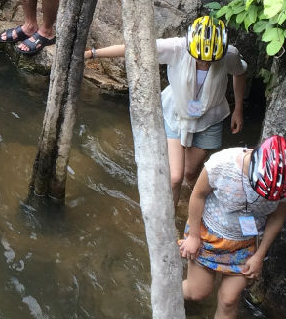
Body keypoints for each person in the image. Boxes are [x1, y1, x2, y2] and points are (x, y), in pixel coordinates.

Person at [85, 17, 248, 202]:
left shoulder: (229, 55)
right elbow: (134, 48)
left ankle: (192, 202)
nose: (205, 64)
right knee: (175, 178)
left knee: (191, 173)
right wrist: (92, 54)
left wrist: (238, 109)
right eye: (199, 59)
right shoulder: (176, 48)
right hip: (176, 111)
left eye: (210, 61)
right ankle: (170, 220)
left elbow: (240, 73)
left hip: (210, 115)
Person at [180, 134, 286, 319]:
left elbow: (277, 217)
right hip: (208, 234)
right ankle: (169, 294)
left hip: (245, 243)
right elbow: (197, 195)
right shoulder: (221, 164)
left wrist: (260, 255)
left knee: (229, 298)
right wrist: (193, 236)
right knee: (197, 292)